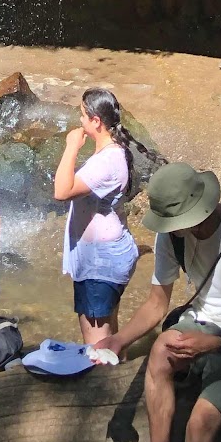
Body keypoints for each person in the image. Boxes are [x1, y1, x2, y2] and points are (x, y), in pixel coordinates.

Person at [103, 162, 221, 442]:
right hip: (202, 321)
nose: (170, 230)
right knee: (160, 350)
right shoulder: (171, 236)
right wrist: (119, 340)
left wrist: (215, 343)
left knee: (199, 424)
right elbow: (156, 304)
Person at [53, 87, 141, 343]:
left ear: (96, 121)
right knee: (111, 336)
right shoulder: (114, 151)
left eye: (83, 115)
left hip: (99, 264)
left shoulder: (107, 161)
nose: (79, 120)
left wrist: (71, 147)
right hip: (109, 256)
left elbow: (62, 191)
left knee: (97, 347)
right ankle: (122, 365)